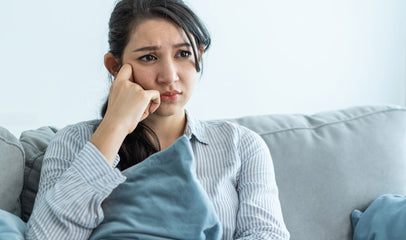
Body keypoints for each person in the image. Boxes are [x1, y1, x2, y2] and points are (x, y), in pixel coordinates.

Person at [25, 0, 290, 239]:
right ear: (115, 67)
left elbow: (266, 234)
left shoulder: (241, 145)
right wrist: (114, 128)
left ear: (199, 55)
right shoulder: (74, 142)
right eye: (149, 57)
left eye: (183, 54)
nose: (169, 76)